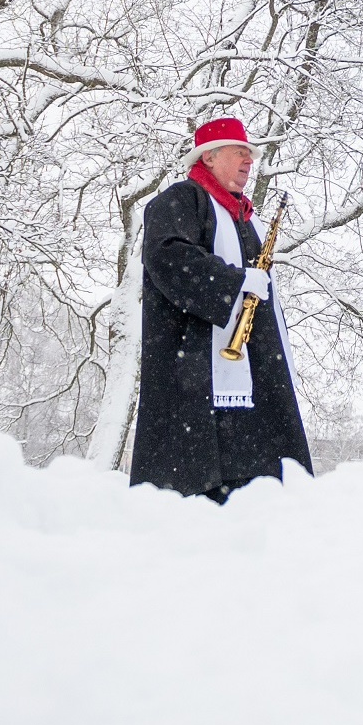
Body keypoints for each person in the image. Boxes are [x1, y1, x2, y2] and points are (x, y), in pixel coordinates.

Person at [129, 117, 313, 500]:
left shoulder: (245, 217)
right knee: (203, 488)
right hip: (195, 372)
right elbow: (167, 256)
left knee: (257, 487)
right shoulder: (181, 200)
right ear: (209, 157)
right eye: (239, 152)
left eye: (250, 154)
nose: (249, 161)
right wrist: (234, 280)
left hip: (251, 382)